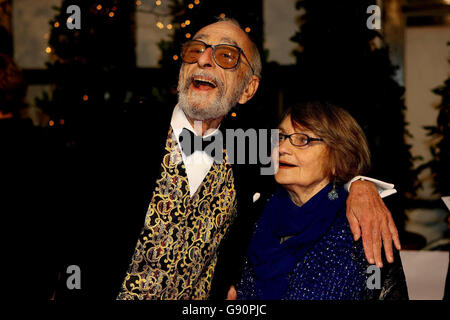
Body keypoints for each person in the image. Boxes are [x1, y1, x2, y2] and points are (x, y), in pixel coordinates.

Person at [55, 18, 400, 300]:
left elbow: (320, 156)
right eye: (196, 50)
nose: (204, 59)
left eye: (226, 56)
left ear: (248, 89)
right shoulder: (115, 132)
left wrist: (360, 185)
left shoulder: (249, 151)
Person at [227, 102, 407, 300]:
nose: (283, 148)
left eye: (303, 140)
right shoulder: (253, 212)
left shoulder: (362, 222)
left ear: (339, 157)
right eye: (280, 137)